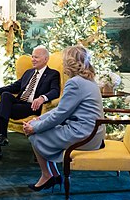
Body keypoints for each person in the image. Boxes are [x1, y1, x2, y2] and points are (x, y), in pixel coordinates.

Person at [23, 45, 105, 192]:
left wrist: (34, 126)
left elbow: (60, 114)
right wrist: (39, 118)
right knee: (37, 128)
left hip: (84, 135)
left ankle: (47, 175)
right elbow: (62, 109)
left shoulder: (75, 83)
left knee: (34, 134)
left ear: (69, 63)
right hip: (94, 134)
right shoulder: (89, 80)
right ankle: (53, 175)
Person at [0, 46, 61, 161]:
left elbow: (55, 91)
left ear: (45, 59)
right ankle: (2, 136)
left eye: (36, 57)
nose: (33, 59)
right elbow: (14, 87)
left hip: (32, 106)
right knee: (6, 95)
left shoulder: (53, 74)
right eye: (32, 56)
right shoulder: (28, 72)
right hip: (19, 103)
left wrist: (42, 98)